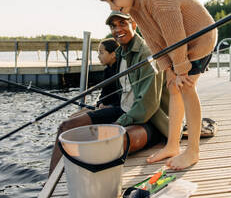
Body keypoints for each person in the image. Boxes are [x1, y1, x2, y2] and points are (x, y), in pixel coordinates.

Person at [88, 0, 217, 170]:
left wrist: (181, 69)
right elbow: (154, 40)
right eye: (108, 3)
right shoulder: (134, 6)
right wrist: (167, 68)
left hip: (199, 39)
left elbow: (175, 35)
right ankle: (173, 145)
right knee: (172, 87)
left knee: (186, 87)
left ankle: (193, 151)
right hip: (178, 43)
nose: (112, 6)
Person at [48, 11, 169, 175]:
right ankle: (50, 182)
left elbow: (148, 105)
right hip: (123, 110)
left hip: (149, 120)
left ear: (134, 24)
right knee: (66, 127)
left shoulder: (146, 55)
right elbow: (117, 89)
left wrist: (118, 124)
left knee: (111, 141)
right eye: (113, 25)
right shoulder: (120, 55)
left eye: (122, 23)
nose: (118, 29)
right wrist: (101, 107)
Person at [96, 38, 120, 109]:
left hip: (115, 108)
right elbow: (104, 92)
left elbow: (122, 97)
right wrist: (100, 103)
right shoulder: (107, 70)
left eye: (101, 53)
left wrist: (110, 106)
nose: (98, 56)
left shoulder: (120, 70)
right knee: (73, 116)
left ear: (113, 54)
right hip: (104, 106)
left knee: (72, 120)